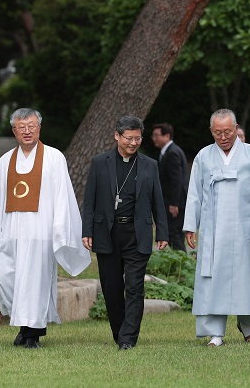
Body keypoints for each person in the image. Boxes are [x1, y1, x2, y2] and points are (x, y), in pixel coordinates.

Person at [0, 108, 91, 349]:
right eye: (22, 127)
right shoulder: (5, 160)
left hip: (41, 232)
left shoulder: (54, 157)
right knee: (9, 279)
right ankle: (23, 327)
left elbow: (62, 196)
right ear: (14, 131)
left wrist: (59, 230)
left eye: (31, 126)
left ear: (39, 128)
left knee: (35, 283)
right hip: (12, 233)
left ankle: (32, 335)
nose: (27, 131)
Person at [184, 109, 250, 347]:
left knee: (247, 278)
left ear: (235, 129)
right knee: (213, 279)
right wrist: (190, 225)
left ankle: (246, 323)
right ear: (211, 131)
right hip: (214, 231)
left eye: (227, 132)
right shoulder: (203, 156)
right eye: (217, 132)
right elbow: (195, 193)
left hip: (246, 229)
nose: (223, 137)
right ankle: (215, 333)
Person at [81, 115, 169, 350]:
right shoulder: (100, 162)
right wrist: (86, 230)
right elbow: (89, 200)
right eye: (128, 138)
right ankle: (119, 332)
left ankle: (128, 338)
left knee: (134, 286)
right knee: (111, 288)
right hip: (106, 232)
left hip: (136, 231)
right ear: (117, 136)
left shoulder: (149, 164)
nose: (133, 143)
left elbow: (158, 201)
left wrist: (162, 232)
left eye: (137, 138)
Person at [151, 123, 190, 251]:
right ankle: (178, 265)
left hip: (175, 204)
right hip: (171, 202)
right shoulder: (167, 152)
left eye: (156, 135)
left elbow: (176, 180)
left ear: (166, 136)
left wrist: (174, 204)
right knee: (173, 234)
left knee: (174, 234)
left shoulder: (172, 153)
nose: (153, 138)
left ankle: (183, 265)